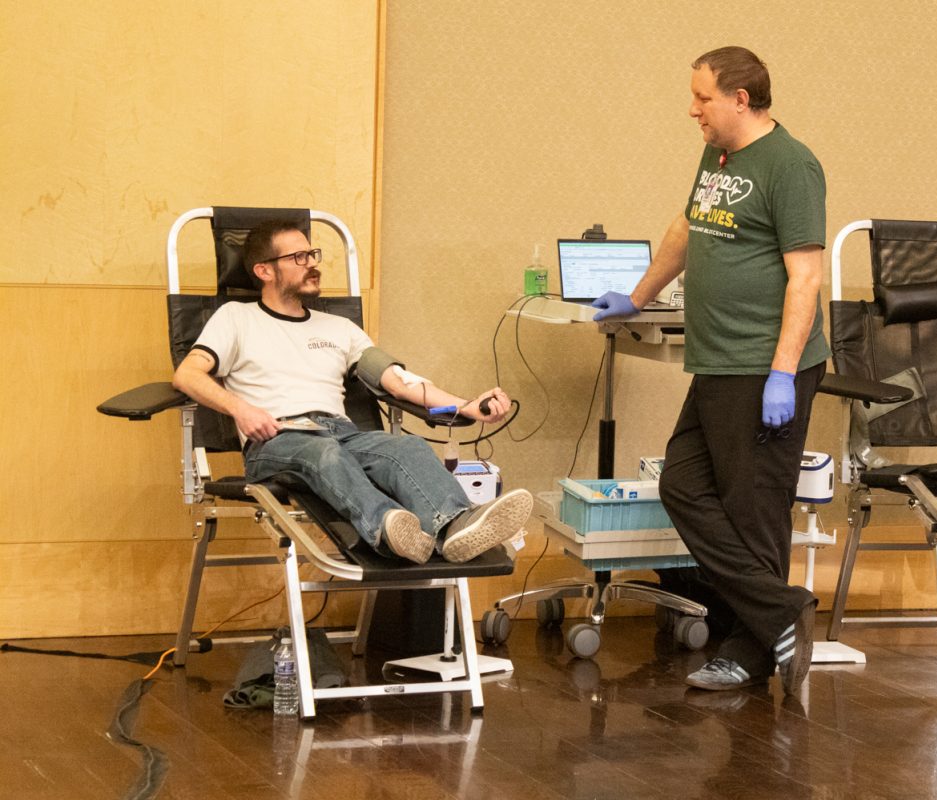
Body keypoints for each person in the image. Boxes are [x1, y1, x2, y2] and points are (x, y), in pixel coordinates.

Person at [592, 46, 828, 695]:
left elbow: (806, 276)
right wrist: (638, 295)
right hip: (720, 363)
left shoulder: (791, 165)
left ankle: (753, 649)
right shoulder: (720, 155)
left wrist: (783, 372)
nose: (692, 108)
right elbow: (689, 224)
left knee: (755, 513)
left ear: (740, 98)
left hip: (763, 366)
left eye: (702, 97)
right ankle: (780, 611)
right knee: (685, 487)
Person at [173, 219, 532, 564]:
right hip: (277, 438)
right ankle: (388, 531)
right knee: (323, 452)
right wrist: (241, 410)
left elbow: (399, 381)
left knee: (406, 447)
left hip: (342, 433)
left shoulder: (341, 328)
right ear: (264, 270)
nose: (312, 264)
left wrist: (467, 406)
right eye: (298, 258)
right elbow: (187, 375)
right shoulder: (236, 318)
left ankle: (456, 526)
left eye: (313, 255)